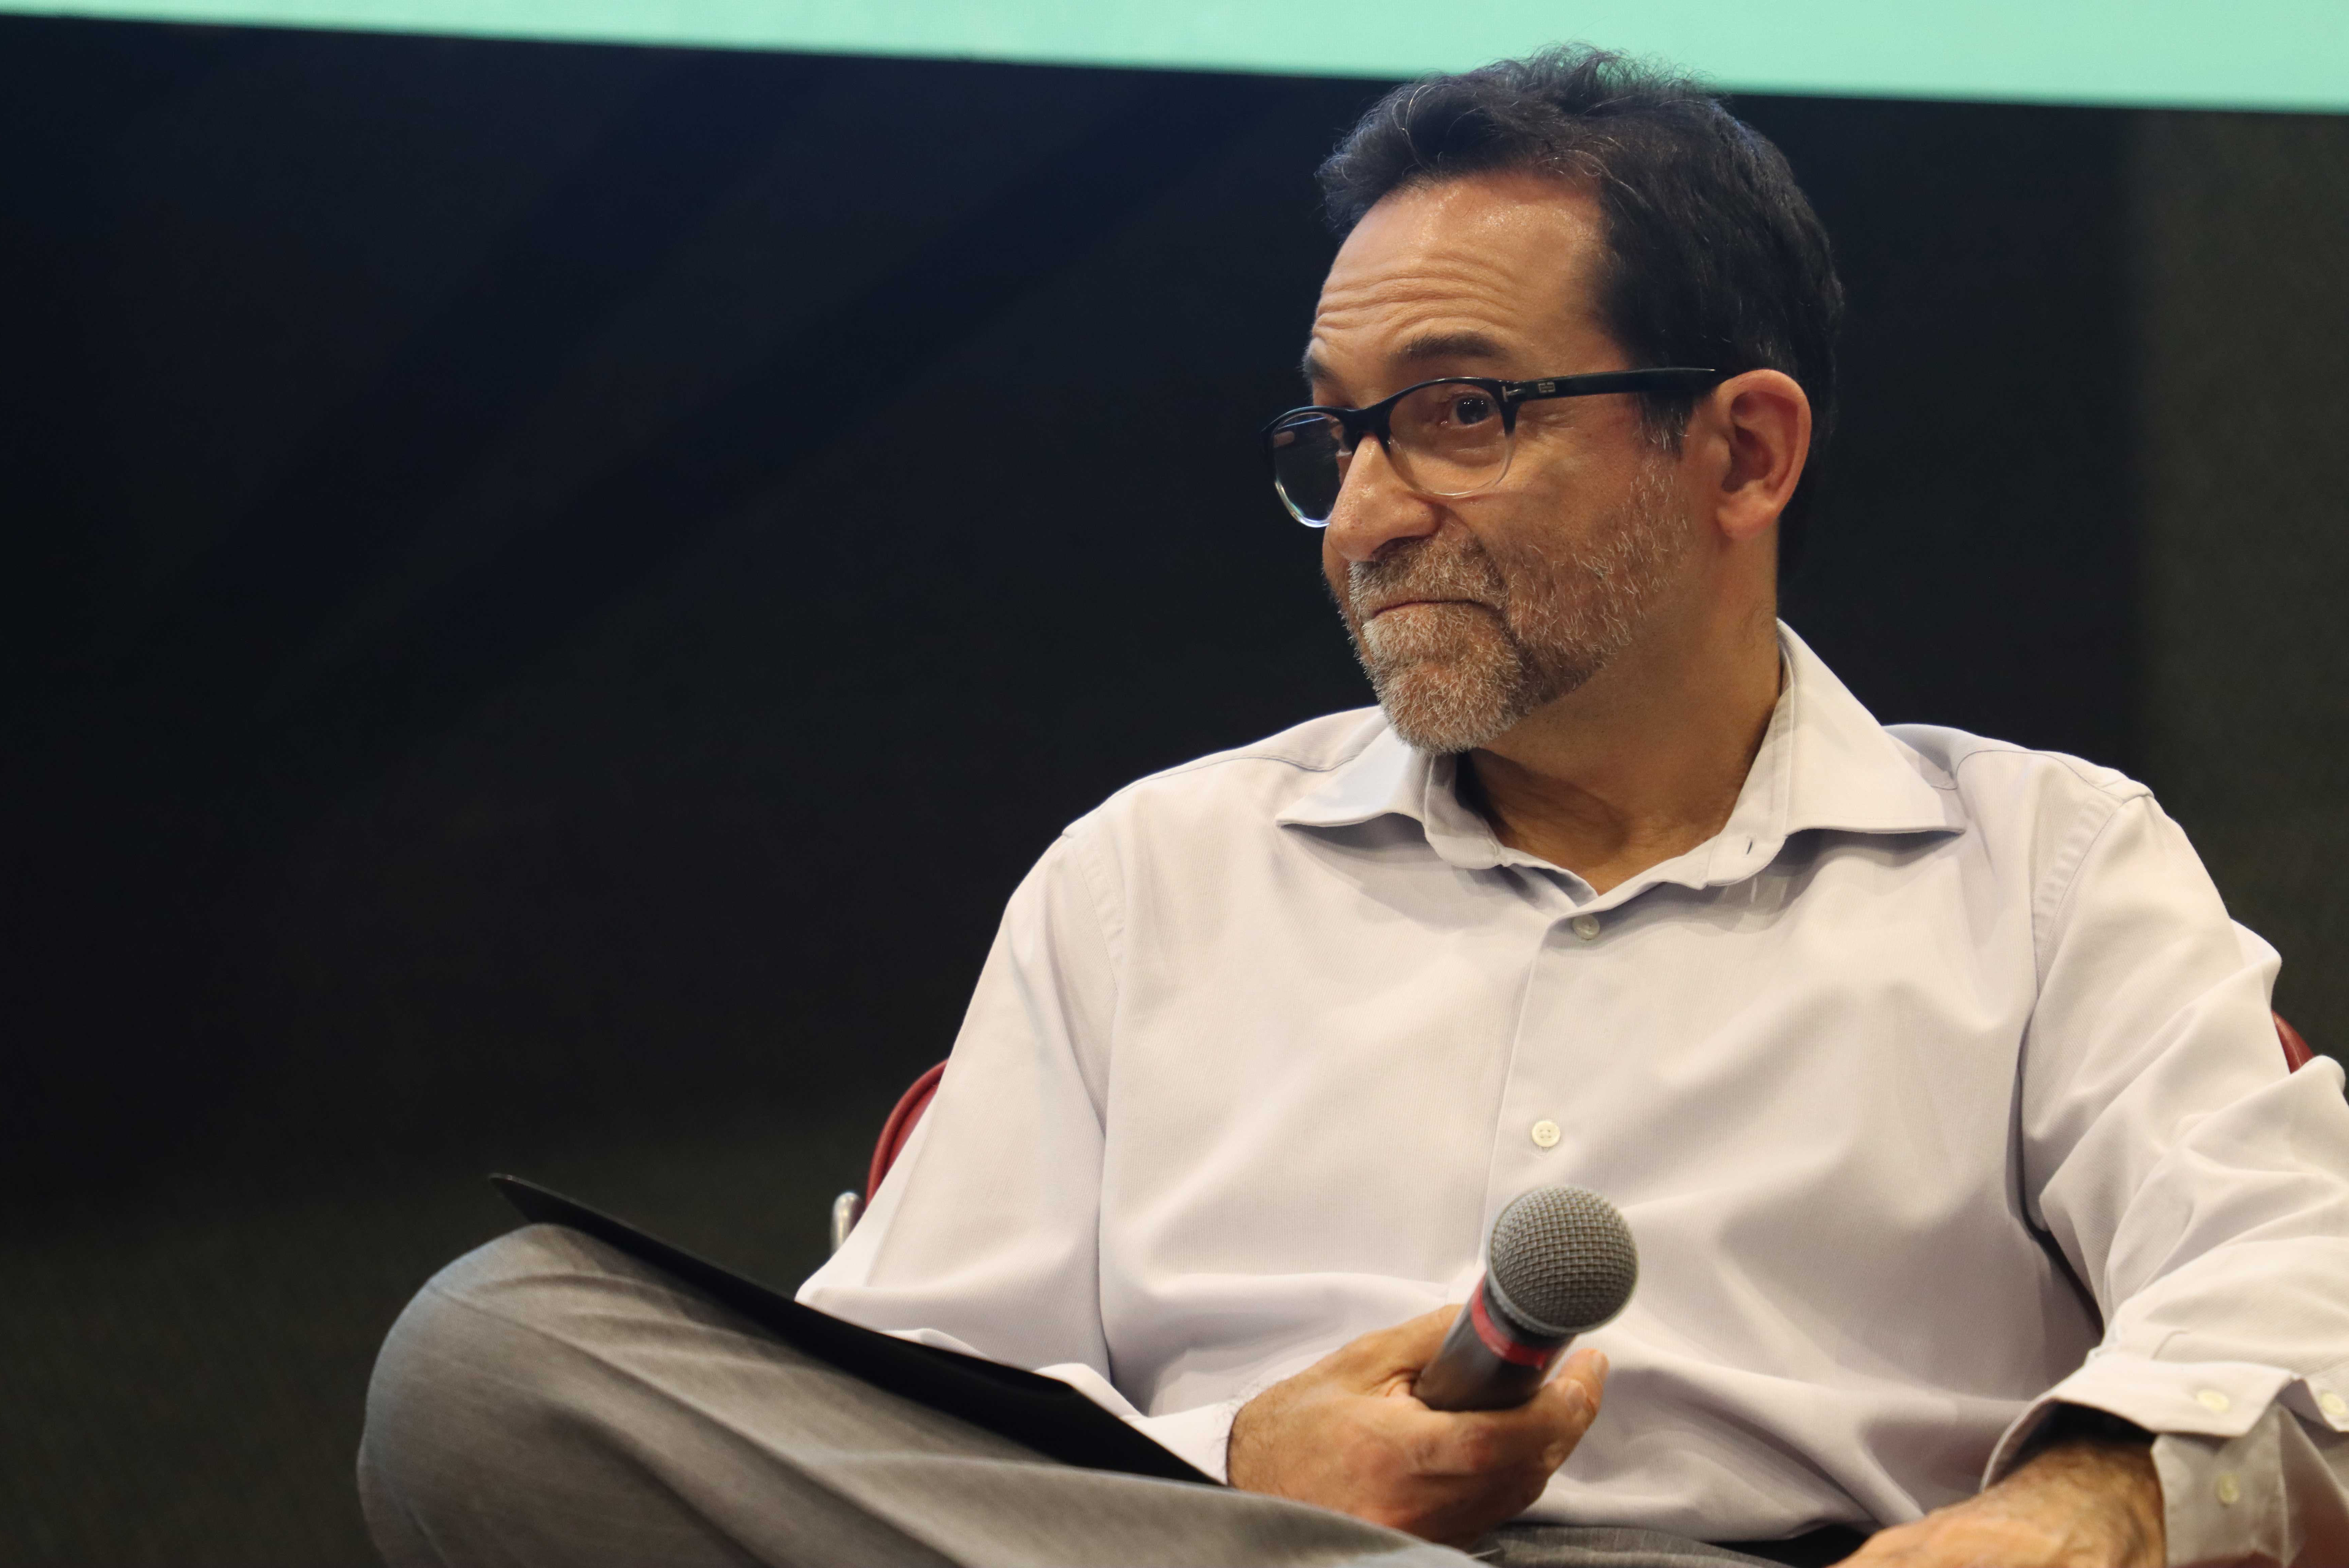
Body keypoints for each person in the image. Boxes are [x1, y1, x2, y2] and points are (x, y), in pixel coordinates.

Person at [357, 48, 2349, 1568]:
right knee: (499, 1355)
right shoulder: (1152, 879)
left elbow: (2306, 1274)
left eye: (1462, 413)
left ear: (1743, 451)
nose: (1368, 516)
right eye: (1337, 431)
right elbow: (898, 1432)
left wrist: (2074, 1517)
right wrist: (1235, 1470)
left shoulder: (2045, 868)